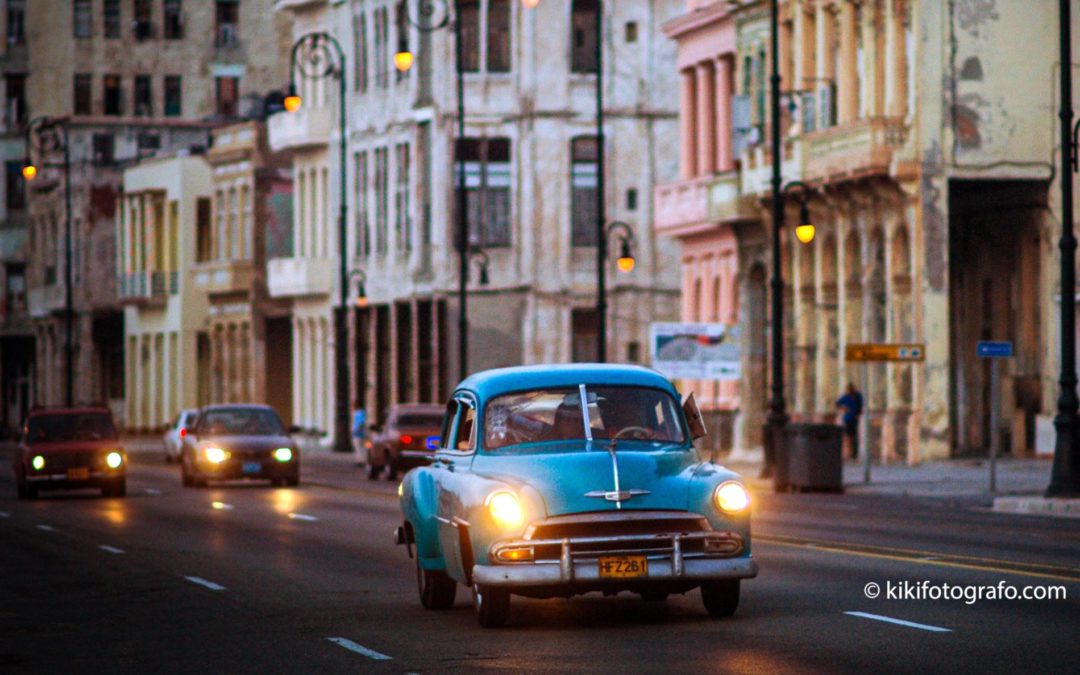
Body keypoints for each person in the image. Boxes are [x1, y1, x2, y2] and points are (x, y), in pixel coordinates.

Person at [836, 383, 863, 460]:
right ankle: (850, 452)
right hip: (848, 418)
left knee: (854, 436)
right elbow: (837, 403)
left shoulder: (857, 396)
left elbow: (861, 405)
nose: (850, 390)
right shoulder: (846, 396)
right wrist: (844, 409)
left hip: (854, 418)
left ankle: (854, 453)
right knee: (849, 436)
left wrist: (859, 413)